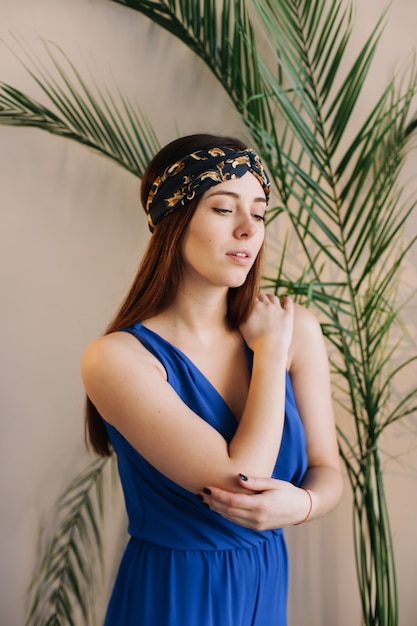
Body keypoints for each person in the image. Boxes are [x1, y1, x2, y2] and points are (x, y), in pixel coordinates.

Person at [81, 133, 343, 626]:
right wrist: (267, 354)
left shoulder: (298, 330)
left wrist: (302, 505)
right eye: (224, 209)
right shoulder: (116, 359)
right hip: (174, 595)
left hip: (264, 584)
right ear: (173, 224)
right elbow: (242, 484)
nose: (249, 229)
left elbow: (328, 470)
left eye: (260, 212)